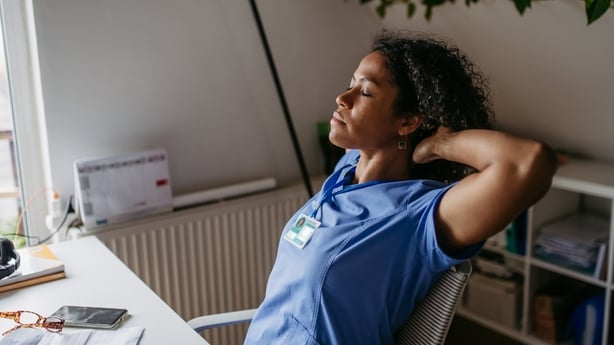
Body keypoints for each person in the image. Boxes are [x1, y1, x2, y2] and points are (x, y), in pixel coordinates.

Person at [243, 29, 558, 345]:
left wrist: (441, 143)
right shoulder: (348, 170)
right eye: (351, 84)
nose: (343, 97)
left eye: (365, 92)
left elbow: (527, 163)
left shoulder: (420, 216)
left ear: (408, 122)